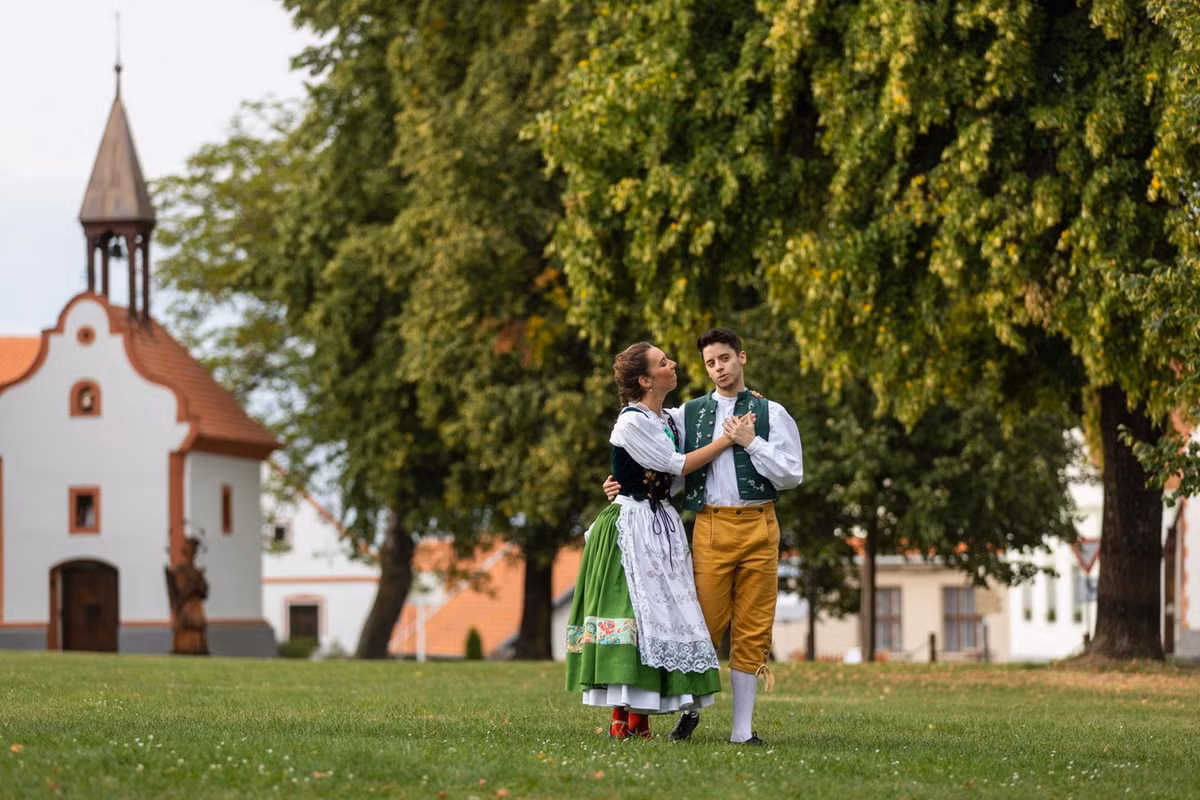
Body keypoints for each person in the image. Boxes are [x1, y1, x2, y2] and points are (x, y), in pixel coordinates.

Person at [605, 328, 804, 745]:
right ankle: (689, 712)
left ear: (741, 358)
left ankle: (741, 730)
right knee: (701, 625)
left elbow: (791, 475)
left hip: (760, 524)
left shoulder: (772, 413)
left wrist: (752, 444)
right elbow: (664, 465)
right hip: (710, 525)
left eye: (725, 359)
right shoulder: (685, 415)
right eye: (711, 362)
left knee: (753, 629)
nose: (719, 368)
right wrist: (624, 485)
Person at [565, 342, 758, 740]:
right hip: (632, 525)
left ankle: (642, 717)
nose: (673, 365)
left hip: (661, 524)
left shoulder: (667, 418)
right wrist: (730, 440)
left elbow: (695, 428)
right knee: (633, 618)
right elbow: (677, 465)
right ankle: (624, 719)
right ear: (645, 380)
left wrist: (742, 403)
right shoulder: (631, 423)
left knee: (661, 619)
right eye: (663, 363)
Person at [166, 536, 210, 655]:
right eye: (191, 549)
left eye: (195, 550)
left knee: (197, 633)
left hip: (196, 609)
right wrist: (194, 584)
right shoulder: (180, 570)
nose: (193, 553)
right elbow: (182, 591)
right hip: (186, 610)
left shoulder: (196, 571)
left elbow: (205, 592)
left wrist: (200, 583)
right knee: (186, 631)